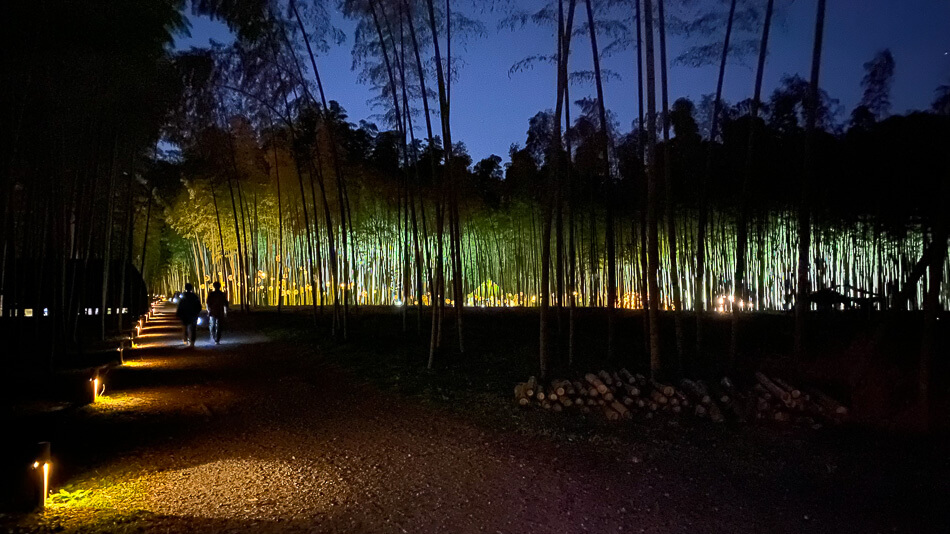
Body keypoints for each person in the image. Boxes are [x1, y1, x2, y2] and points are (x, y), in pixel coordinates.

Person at [176, 283, 202, 347]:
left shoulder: (183, 296)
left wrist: (178, 313)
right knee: (193, 328)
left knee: (185, 326)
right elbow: (198, 305)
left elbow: (180, 305)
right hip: (193, 314)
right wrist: (197, 312)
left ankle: (186, 339)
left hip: (185, 314)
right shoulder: (194, 296)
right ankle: (192, 341)